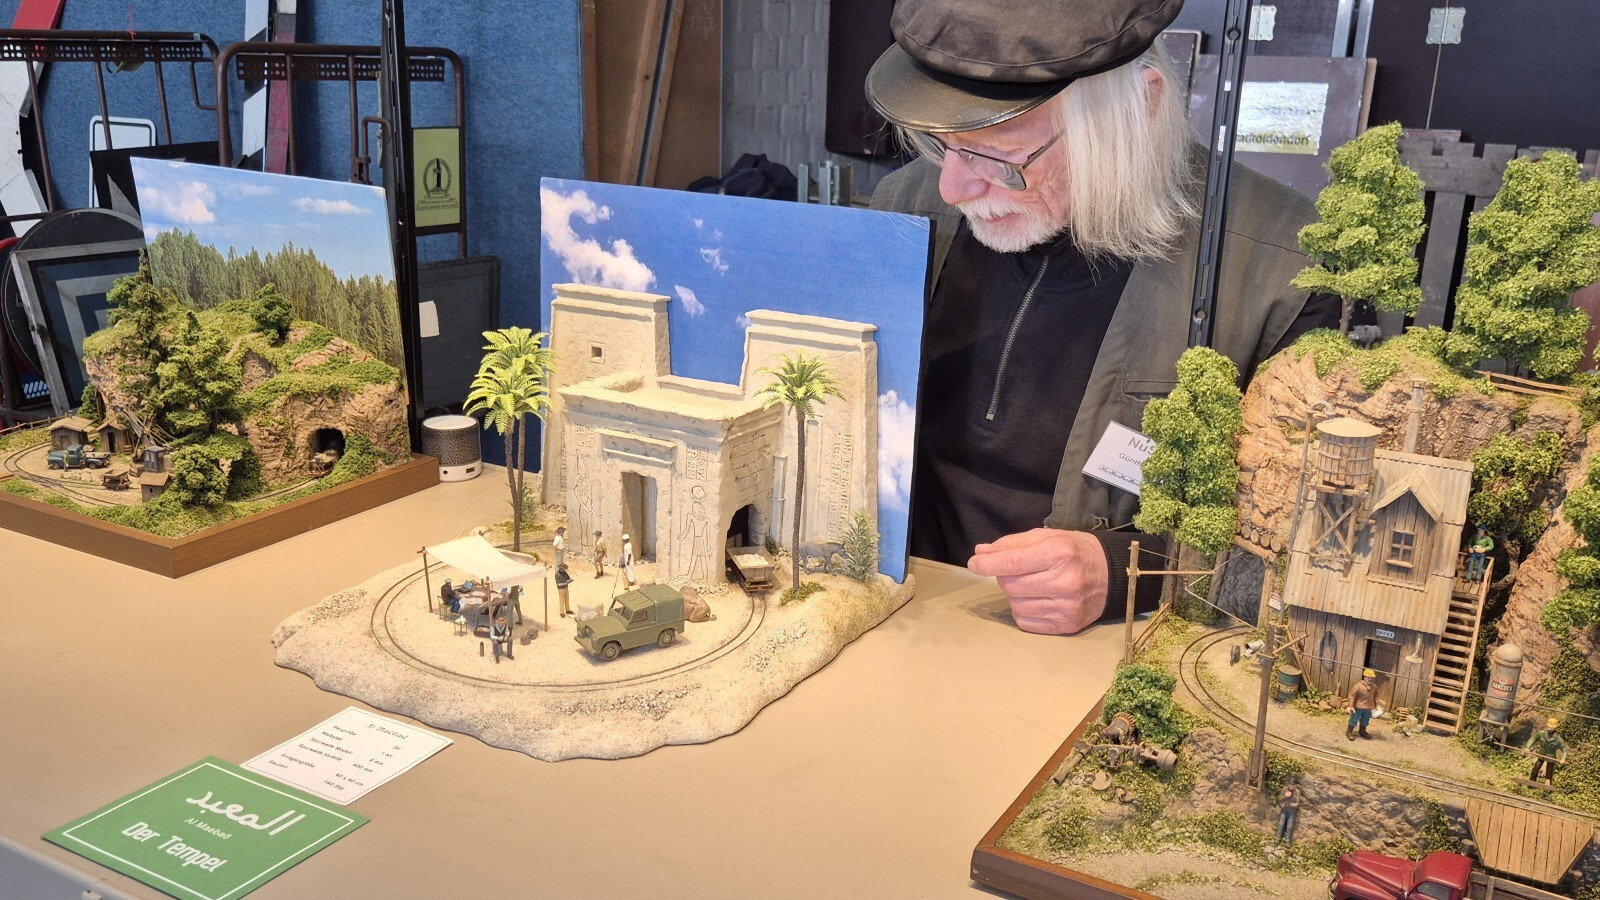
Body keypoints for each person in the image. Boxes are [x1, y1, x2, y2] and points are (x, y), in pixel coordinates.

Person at [865, 0, 1338, 635]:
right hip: (898, 609)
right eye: (940, 144)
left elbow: (1307, 540)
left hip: (1097, 651)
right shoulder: (905, 207)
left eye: (1001, 158)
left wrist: (1125, 572)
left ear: (1139, 109)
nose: (952, 188)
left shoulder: (1280, 271)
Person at [1529, 718, 1567, 784]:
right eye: (1549, 727)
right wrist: (1527, 747)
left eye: (1552, 727)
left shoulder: (1558, 739)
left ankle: (1548, 784)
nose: (1550, 729)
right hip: (1541, 755)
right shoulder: (1541, 734)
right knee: (1536, 768)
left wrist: (1563, 758)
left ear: (1555, 728)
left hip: (1551, 757)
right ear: (1547, 726)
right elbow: (1533, 739)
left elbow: (1564, 750)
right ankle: (1531, 782)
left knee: (1549, 771)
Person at [1346, 669, 1378, 741]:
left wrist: (1377, 705)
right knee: (1354, 719)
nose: (1370, 679)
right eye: (1369, 677)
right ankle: (1349, 732)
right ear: (1364, 677)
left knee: (1365, 720)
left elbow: (1376, 696)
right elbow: (1351, 696)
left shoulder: (1374, 687)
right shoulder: (1358, 686)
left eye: (1372, 678)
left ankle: (1362, 731)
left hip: (1368, 708)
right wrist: (1350, 706)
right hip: (1358, 707)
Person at [1276, 777, 1301, 845]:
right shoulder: (1285, 789)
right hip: (1284, 809)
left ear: (1295, 785)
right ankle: (1278, 838)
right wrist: (1285, 797)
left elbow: (1297, 804)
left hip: (1291, 811)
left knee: (1289, 826)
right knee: (1281, 824)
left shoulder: (1297, 792)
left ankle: (1287, 840)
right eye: (1290, 784)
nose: (1291, 786)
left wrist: (1290, 804)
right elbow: (1279, 799)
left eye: (1293, 785)